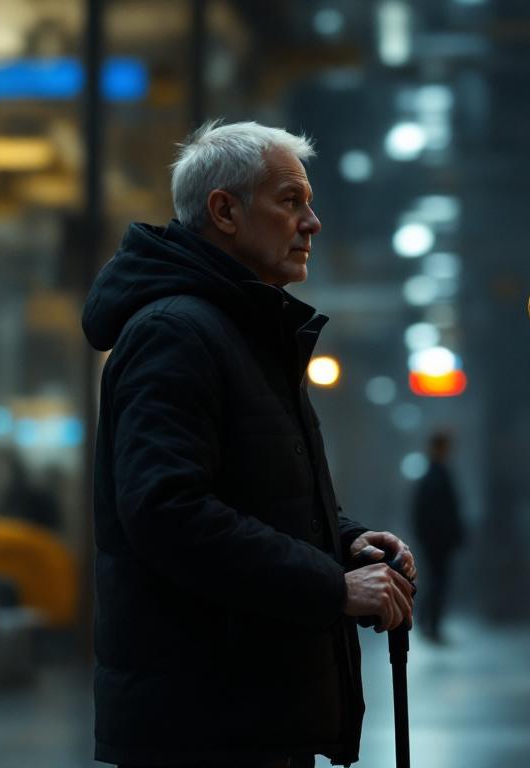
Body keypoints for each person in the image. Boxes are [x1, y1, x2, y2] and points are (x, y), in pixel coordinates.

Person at [82, 120, 418, 768]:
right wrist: (331, 587)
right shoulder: (176, 334)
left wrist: (346, 542)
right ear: (225, 212)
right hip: (202, 728)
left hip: (248, 716)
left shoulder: (243, 331)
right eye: (291, 201)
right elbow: (167, 512)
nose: (312, 223)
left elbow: (259, 496)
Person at [410, 430, 464, 644]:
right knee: (438, 581)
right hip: (438, 541)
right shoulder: (437, 475)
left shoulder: (432, 475)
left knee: (435, 580)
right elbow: (445, 511)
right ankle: (431, 624)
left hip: (434, 540)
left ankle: (427, 622)